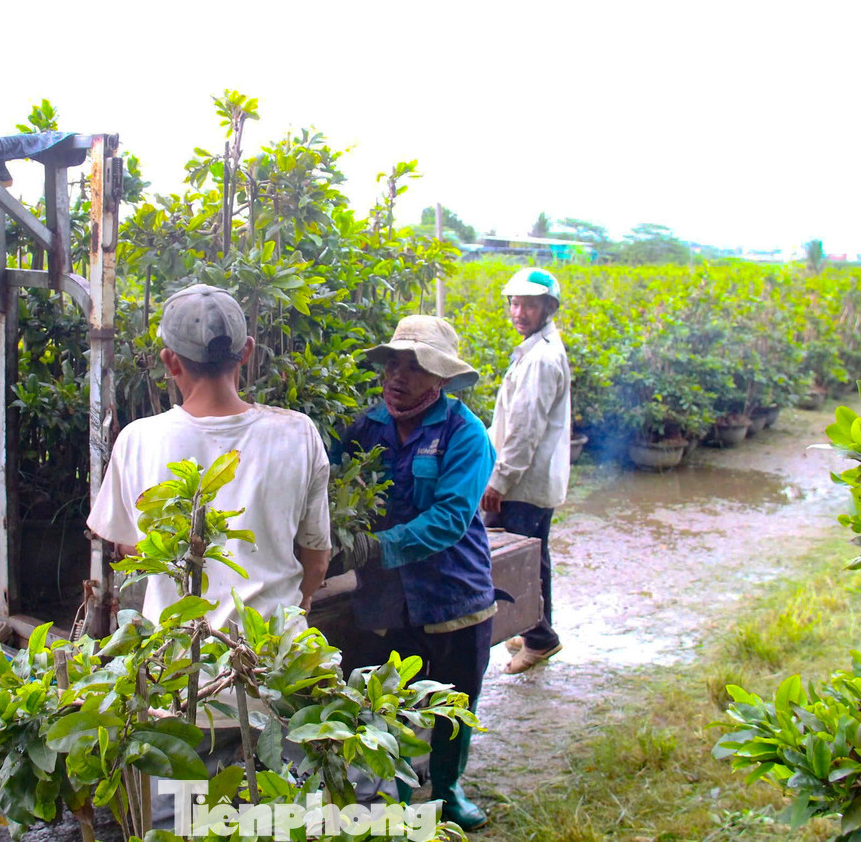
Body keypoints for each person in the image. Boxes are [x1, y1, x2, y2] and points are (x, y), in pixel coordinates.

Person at [86, 283, 332, 633]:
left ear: (170, 361)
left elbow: (133, 550)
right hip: (271, 662)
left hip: (177, 666)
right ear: (246, 351)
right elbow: (317, 560)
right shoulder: (298, 433)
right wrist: (302, 601)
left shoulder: (136, 440)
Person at [332, 315, 497, 831]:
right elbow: (329, 478)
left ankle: (447, 791)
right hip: (386, 601)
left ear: (441, 379)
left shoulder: (465, 435)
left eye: (415, 366)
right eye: (393, 364)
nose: (397, 377)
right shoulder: (365, 426)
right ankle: (398, 799)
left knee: (453, 703)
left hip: (454, 595)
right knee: (389, 702)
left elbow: (449, 519)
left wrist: (374, 547)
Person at [481, 268, 572, 675]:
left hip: (522, 481)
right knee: (535, 556)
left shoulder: (540, 359)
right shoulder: (537, 349)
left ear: (547, 308)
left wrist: (499, 480)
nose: (519, 312)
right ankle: (532, 628)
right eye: (515, 304)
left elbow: (524, 430)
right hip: (529, 479)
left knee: (524, 559)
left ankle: (540, 639)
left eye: (529, 305)